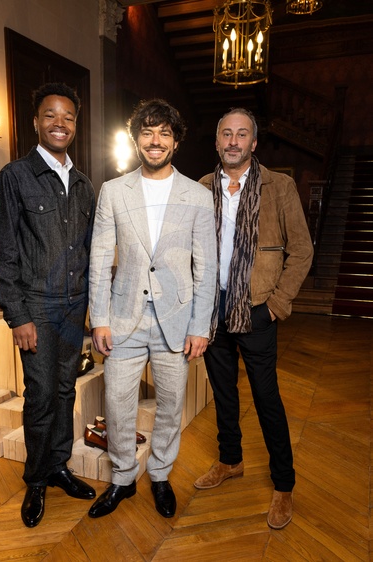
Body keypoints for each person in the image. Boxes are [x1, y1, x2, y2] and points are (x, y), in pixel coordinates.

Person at [87, 99, 217, 519]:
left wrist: (200, 325)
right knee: (117, 403)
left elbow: (207, 267)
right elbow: (99, 259)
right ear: (136, 140)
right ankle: (123, 477)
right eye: (147, 132)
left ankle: (160, 474)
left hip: (176, 320)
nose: (155, 140)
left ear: (175, 142)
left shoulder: (198, 196)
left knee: (171, 404)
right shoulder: (113, 191)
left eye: (164, 132)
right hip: (124, 317)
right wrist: (99, 319)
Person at [194, 108, 313, 530]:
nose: (233, 141)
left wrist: (277, 304)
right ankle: (231, 460)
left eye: (241, 134)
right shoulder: (202, 187)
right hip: (214, 309)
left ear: (254, 142)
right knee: (223, 393)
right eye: (226, 133)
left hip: (258, 308)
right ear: (217, 142)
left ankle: (284, 484)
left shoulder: (279, 187)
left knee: (266, 398)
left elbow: (302, 250)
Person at [0, 82, 96, 528]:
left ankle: (58, 465)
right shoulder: (14, 177)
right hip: (36, 306)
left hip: (74, 307)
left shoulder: (85, 185)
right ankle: (36, 479)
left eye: (68, 117)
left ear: (75, 125)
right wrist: (18, 316)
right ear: (36, 122)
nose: (60, 123)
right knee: (41, 393)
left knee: (66, 388)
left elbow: (91, 251)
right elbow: (2, 252)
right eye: (50, 115)